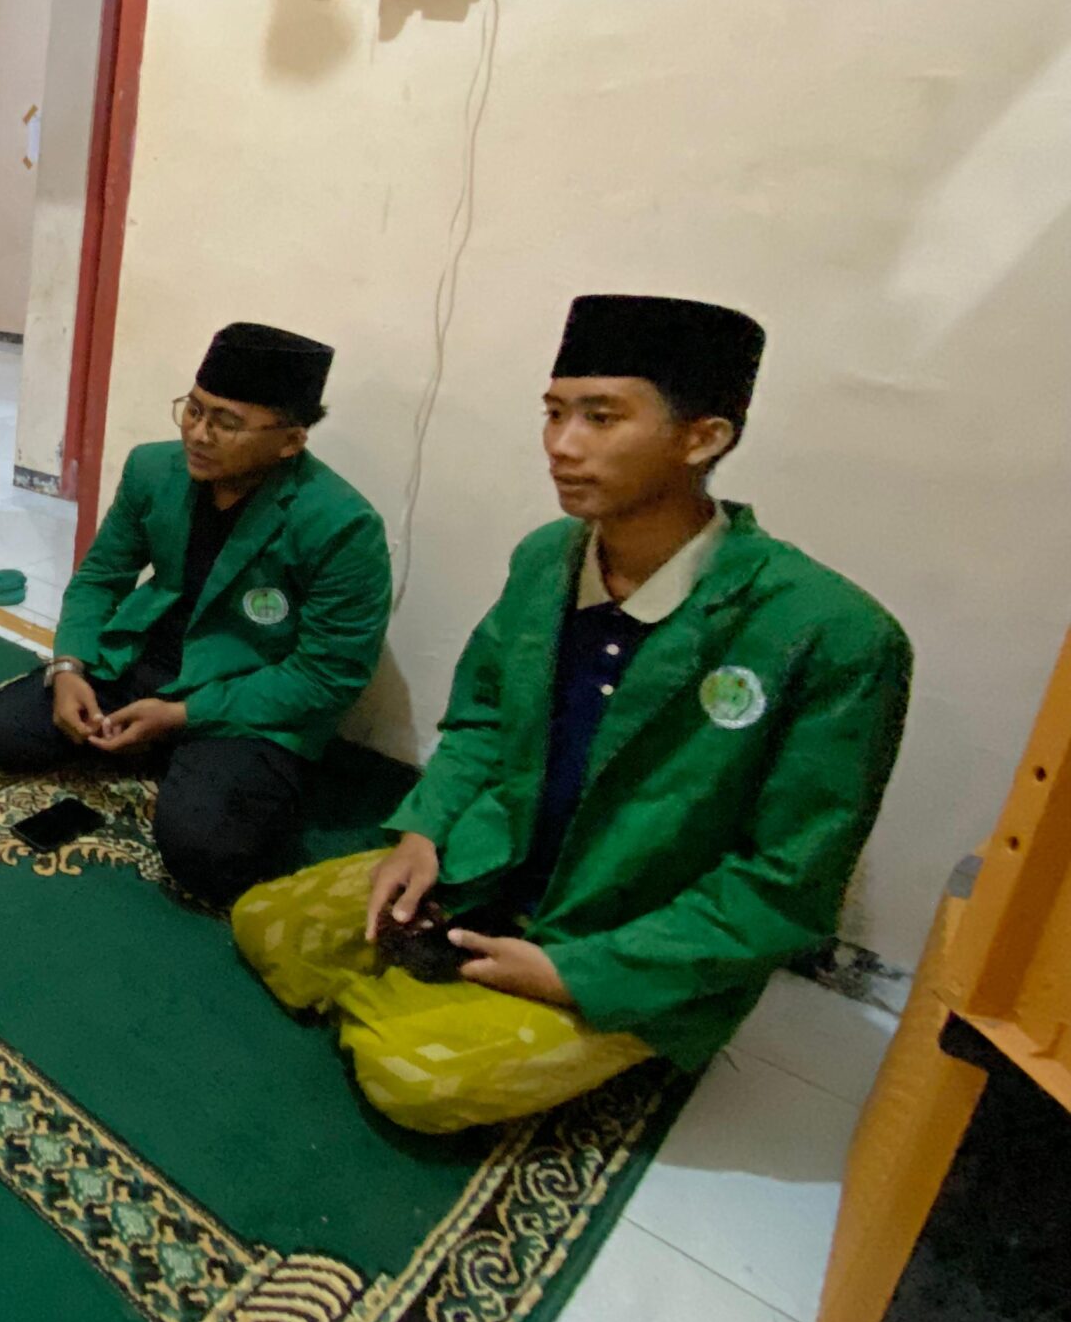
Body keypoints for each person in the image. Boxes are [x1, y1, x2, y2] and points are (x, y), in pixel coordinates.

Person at [233, 296, 913, 1134]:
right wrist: (425, 834)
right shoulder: (547, 558)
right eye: (554, 413)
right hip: (492, 866)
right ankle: (448, 986)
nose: (561, 444)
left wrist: (573, 976)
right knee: (266, 926)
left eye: (601, 417)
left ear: (703, 438)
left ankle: (558, 1006)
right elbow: (483, 716)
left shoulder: (833, 635)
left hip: (631, 928)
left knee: (409, 1078)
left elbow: (784, 883)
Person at [0, 323, 392, 906]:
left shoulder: (342, 525)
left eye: (226, 422)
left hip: (246, 691)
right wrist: (68, 668)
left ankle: (182, 751)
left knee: (206, 850)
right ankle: (164, 748)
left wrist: (183, 716)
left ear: (291, 441)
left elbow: (328, 675)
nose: (198, 433)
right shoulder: (153, 469)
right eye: (193, 410)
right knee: (0, 732)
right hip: (148, 657)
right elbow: (100, 578)